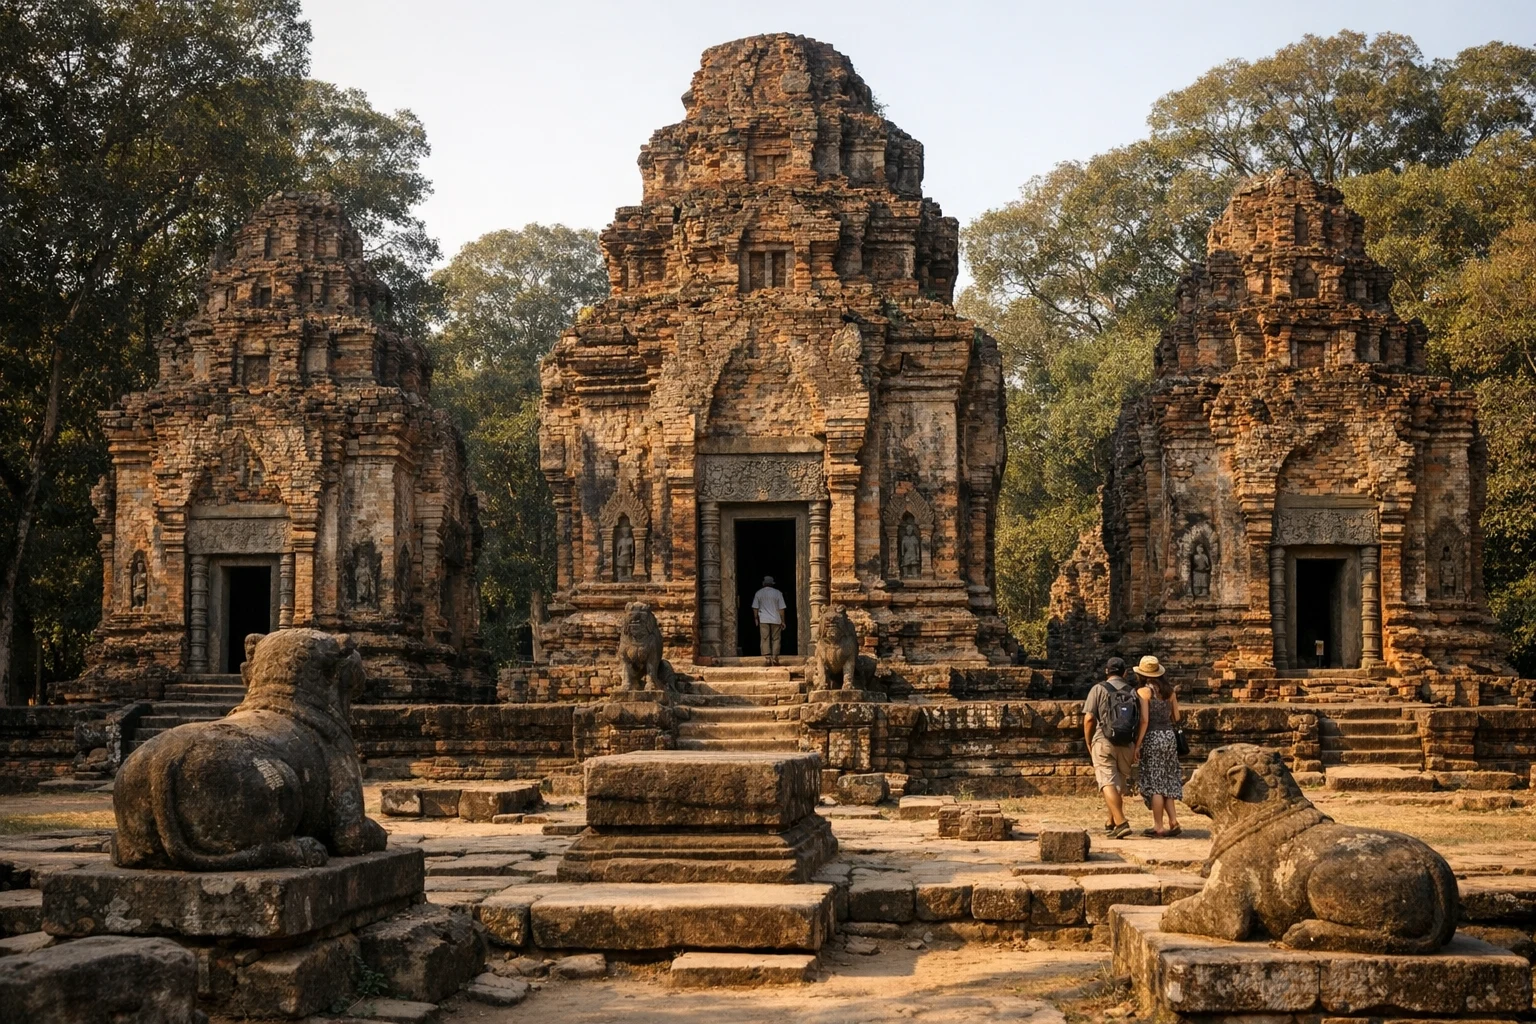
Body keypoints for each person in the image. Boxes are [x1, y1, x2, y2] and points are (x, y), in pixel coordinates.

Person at [1082, 656, 1142, 839]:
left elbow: (1089, 719)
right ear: (1125, 673)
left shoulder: (1098, 689)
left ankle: (1122, 822)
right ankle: (1112, 821)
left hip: (1104, 740)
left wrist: (1089, 741)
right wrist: (1136, 745)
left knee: (1107, 782)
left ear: (1106, 672)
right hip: (1127, 743)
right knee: (1119, 784)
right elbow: (1139, 721)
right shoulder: (1133, 692)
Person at [1132, 655, 1182, 837]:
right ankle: (1173, 820)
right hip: (1169, 737)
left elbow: (1144, 720)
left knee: (1155, 783)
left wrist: (1138, 744)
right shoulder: (1170, 692)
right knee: (1166, 778)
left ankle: (1158, 826)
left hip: (1152, 736)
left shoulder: (1143, 693)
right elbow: (1176, 717)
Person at [751, 575, 787, 666]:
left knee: (765, 638)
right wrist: (783, 621)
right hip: (776, 618)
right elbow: (781, 609)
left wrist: (756, 618)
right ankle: (774, 657)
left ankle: (767, 657)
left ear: (763, 583)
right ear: (772, 584)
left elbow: (755, 607)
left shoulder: (759, 593)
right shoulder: (778, 593)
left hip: (763, 619)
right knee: (776, 638)